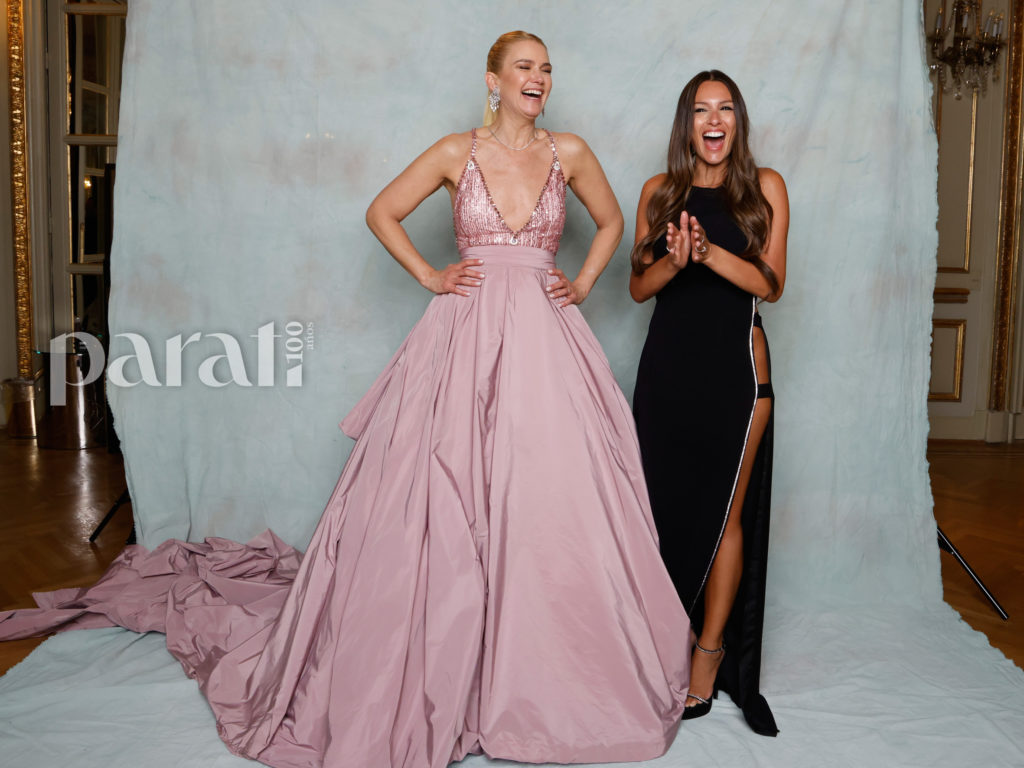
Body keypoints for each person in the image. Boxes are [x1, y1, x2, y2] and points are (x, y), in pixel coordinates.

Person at [0, 32, 691, 767]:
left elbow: (613, 223)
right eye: (524, 67)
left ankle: (535, 668)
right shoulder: (455, 152)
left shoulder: (569, 152)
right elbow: (382, 211)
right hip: (465, 335)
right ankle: (455, 659)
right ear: (493, 80)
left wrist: (579, 284)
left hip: (545, 344)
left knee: (548, 495)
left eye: (546, 69)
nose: (539, 78)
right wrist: (431, 276)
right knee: (444, 491)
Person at [629, 70, 788, 737]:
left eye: (725, 109)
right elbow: (639, 289)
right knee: (658, 512)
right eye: (701, 110)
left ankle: (710, 652)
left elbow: (771, 284)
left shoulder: (765, 187)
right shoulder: (659, 192)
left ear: (738, 121)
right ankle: (664, 639)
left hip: (736, 378)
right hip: (666, 375)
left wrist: (708, 253)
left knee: (724, 516)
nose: (713, 120)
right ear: (686, 123)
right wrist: (674, 260)